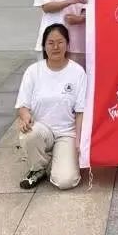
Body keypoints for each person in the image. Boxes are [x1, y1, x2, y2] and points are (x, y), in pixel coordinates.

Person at [16, 24, 86, 190]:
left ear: (67, 44)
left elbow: (80, 111)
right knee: (30, 133)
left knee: (65, 181)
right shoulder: (33, 71)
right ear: (44, 46)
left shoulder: (77, 72)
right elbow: (22, 105)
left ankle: (58, 157)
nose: (55, 47)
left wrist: (79, 140)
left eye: (60, 42)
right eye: (51, 43)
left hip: (66, 133)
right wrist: (25, 117)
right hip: (41, 130)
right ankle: (38, 168)